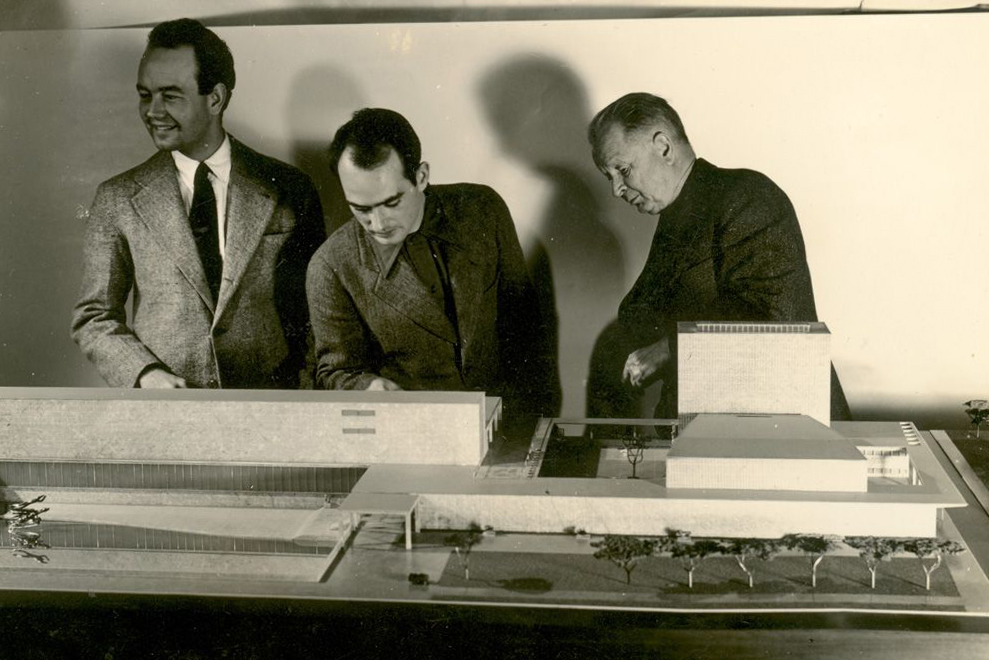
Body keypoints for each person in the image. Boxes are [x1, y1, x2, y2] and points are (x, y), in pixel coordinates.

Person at [71, 19, 325, 389]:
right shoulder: (117, 199)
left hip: (272, 410)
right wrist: (146, 375)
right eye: (145, 94)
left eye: (170, 95)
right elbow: (94, 316)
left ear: (216, 98)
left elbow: (316, 311)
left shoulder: (290, 188)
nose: (153, 111)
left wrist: (300, 397)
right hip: (167, 416)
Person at [586, 92, 849, 419]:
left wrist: (668, 348)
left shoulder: (748, 196)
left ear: (664, 147)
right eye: (608, 177)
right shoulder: (681, 211)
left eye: (623, 170)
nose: (616, 190)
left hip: (787, 429)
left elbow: (772, 325)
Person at [306, 108, 556, 419]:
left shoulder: (483, 210)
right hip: (416, 436)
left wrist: (540, 421)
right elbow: (335, 372)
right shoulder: (330, 266)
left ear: (421, 176)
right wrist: (366, 387)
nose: (377, 222)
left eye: (391, 202)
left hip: (508, 423)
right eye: (360, 208)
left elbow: (527, 327)